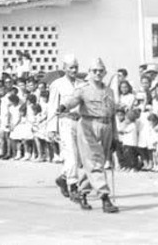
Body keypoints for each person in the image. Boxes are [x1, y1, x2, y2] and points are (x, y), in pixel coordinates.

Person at [59, 57, 119, 213]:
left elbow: (112, 116)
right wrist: (64, 106)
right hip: (88, 126)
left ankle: (83, 192)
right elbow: (73, 100)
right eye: (94, 71)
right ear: (90, 73)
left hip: (106, 126)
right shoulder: (83, 88)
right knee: (95, 162)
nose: (98, 73)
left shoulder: (109, 91)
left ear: (104, 72)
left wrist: (115, 137)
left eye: (101, 71)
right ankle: (105, 197)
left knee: (92, 163)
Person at [47, 55, 84, 201]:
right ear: (64, 68)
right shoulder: (57, 84)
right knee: (71, 155)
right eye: (71, 67)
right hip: (65, 122)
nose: (74, 70)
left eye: (76, 67)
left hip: (80, 122)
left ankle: (63, 178)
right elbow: (52, 106)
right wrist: (52, 128)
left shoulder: (82, 84)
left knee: (78, 157)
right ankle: (73, 186)